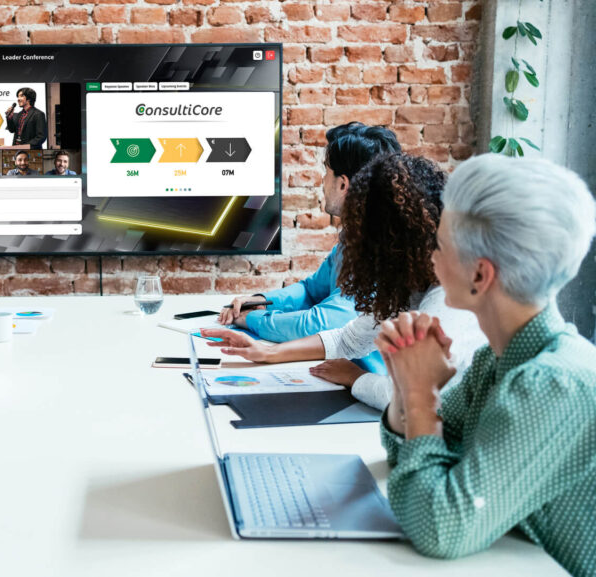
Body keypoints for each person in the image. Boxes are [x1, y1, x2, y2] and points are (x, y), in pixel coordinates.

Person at [371, 155, 596, 575]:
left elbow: (440, 528)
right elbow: (415, 460)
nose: (431, 258)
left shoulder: (550, 383)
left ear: (480, 275)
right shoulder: (498, 361)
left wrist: (422, 397)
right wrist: (405, 382)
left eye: (439, 246)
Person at [202, 154, 486, 411]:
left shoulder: (448, 301)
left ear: (391, 238)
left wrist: (356, 378)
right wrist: (268, 352)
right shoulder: (409, 283)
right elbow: (351, 338)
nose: (353, 242)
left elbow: (408, 400)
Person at [218, 122, 401, 375]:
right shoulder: (353, 238)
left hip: (368, 391)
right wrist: (260, 301)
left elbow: (319, 324)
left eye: (327, 172)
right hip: (338, 374)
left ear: (343, 184)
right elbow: (311, 289)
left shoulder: (378, 251)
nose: (322, 180)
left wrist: (249, 320)